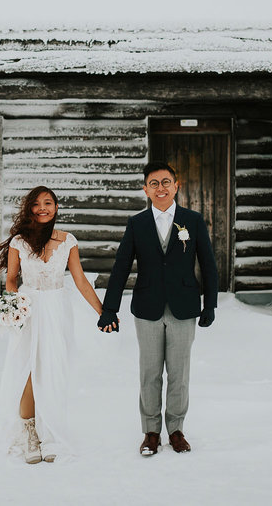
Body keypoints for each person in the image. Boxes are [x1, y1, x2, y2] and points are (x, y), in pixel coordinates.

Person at [98, 161, 218, 456]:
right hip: (148, 308)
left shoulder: (193, 220)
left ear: (176, 186)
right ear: (145, 189)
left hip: (184, 307)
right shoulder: (137, 224)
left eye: (166, 182)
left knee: (179, 373)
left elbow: (209, 264)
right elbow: (122, 267)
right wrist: (109, 309)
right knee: (149, 373)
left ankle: (176, 430)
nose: (160, 188)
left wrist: (210, 304)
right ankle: (151, 432)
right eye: (154, 183)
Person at [0, 185, 104, 464]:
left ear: (55, 207)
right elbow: (12, 279)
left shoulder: (67, 241)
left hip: (56, 309)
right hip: (29, 309)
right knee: (26, 368)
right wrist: (13, 304)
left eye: (48, 203)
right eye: (37, 203)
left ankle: (49, 431)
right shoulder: (19, 242)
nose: (43, 208)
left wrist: (103, 312)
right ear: (30, 209)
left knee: (52, 368)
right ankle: (30, 432)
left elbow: (79, 281)